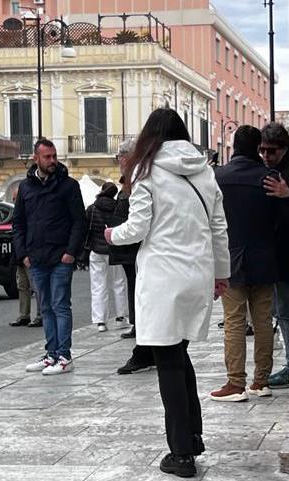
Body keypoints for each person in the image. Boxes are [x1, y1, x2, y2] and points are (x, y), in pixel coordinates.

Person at [105, 108, 229, 478]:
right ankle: (192, 437)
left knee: (168, 362)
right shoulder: (204, 170)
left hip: (162, 276)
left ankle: (181, 454)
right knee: (178, 354)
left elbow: (138, 226)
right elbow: (219, 227)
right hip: (198, 273)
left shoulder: (147, 170)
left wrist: (113, 235)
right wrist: (221, 274)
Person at [208, 126, 280, 403]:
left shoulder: (218, 177)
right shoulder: (270, 178)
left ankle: (235, 383)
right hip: (264, 257)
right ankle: (261, 381)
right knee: (263, 321)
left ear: (234, 146)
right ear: (257, 147)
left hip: (231, 258)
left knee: (234, 322)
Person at [14, 138, 86, 376]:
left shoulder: (68, 186)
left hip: (60, 258)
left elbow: (79, 222)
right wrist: (23, 254)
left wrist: (70, 253)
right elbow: (18, 223)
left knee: (60, 305)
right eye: (47, 157)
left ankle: (64, 356)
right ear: (36, 158)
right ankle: (51, 354)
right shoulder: (26, 188)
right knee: (45, 307)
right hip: (36, 259)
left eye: (54, 156)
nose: (53, 160)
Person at [111, 139, 157, 375]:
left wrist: (114, 234)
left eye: (120, 156)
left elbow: (136, 221)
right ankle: (142, 340)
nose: (119, 161)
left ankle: (145, 349)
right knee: (135, 293)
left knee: (140, 295)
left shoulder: (139, 178)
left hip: (135, 248)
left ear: (126, 157)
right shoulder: (137, 177)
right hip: (131, 249)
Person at [260, 122, 289, 389]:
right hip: (277, 255)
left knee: (284, 310)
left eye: (271, 151)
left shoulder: (287, 174)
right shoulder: (268, 171)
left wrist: (288, 195)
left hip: (286, 255)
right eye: (262, 150)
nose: (266, 156)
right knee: (280, 310)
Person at [84, 181, 129, 333]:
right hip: (115, 249)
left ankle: (100, 321)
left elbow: (86, 229)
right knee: (119, 283)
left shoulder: (92, 208)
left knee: (98, 286)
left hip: (96, 250)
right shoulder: (118, 207)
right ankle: (121, 317)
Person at [10, 186, 42, 328]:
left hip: (30, 255)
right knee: (22, 286)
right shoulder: (17, 214)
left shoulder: (32, 213)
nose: (14, 201)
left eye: (15, 199)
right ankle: (24, 314)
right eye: (13, 199)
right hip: (20, 256)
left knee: (36, 286)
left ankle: (41, 315)